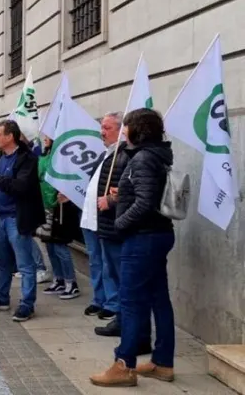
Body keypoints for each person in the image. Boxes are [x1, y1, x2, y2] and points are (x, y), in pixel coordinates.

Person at [90, 108, 176, 387]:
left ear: (138, 130)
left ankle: (123, 364)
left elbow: (144, 201)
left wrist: (120, 223)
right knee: (158, 299)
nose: (123, 132)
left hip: (142, 237)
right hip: (154, 234)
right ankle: (162, 362)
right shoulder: (154, 155)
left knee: (130, 301)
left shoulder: (142, 158)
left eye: (126, 127)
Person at [0, 120, 45, 322]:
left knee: (25, 264)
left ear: (10, 137)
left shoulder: (27, 159)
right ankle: (1, 297)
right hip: (0, 218)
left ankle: (27, 304)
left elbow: (21, 186)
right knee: (2, 262)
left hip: (17, 218)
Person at [38, 137, 81, 299]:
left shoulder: (62, 158)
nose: (45, 138)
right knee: (49, 245)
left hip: (60, 206)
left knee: (59, 245)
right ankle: (59, 279)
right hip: (46, 205)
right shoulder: (44, 156)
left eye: (49, 135)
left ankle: (71, 282)